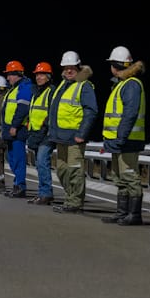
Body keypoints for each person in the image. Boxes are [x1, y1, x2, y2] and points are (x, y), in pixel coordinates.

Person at [100, 46, 146, 225]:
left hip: (127, 140)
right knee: (120, 177)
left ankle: (134, 215)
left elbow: (130, 114)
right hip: (119, 139)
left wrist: (121, 137)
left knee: (129, 176)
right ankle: (122, 213)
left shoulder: (131, 84)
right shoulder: (122, 84)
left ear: (115, 66)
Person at [47, 50, 97, 213]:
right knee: (62, 170)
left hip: (75, 138)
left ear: (78, 67)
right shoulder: (63, 85)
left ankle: (75, 203)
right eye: (66, 67)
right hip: (60, 137)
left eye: (72, 67)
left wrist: (82, 134)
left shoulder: (84, 86)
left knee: (75, 171)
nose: (69, 70)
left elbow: (91, 111)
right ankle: (70, 199)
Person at [26, 62, 56, 205]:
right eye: (37, 74)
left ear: (48, 76)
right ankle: (42, 193)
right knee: (39, 164)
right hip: (36, 133)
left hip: (47, 134)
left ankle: (46, 193)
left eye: (42, 74)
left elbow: (51, 113)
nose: (38, 77)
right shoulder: (36, 93)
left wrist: (44, 128)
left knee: (42, 161)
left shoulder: (51, 92)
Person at [1, 60, 33, 198]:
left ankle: (20, 186)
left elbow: (23, 109)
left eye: (10, 74)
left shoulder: (24, 87)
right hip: (10, 129)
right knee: (12, 158)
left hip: (18, 129)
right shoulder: (14, 89)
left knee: (18, 159)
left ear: (17, 74)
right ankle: (17, 185)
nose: (8, 78)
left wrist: (14, 126)